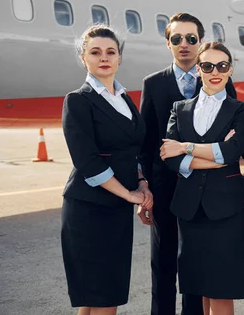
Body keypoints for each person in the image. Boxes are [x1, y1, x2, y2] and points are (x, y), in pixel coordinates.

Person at [139, 13, 236, 315]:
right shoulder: (153, 84)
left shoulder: (219, 80)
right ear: (168, 44)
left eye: (191, 38)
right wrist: (143, 189)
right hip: (164, 189)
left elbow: (229, 139)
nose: (184, 44)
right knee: (164, 263)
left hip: (206, 191)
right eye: (177, 39)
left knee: (196, 266)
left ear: (200, 42)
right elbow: (146, 143)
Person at [61, 25, 153, 315]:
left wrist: (141, 182)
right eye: (95, 52)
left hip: (116, 207)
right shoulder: (78, 100)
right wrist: (129, 194)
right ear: (83, 57)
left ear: (119, 58)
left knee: (100, 294)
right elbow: (87, 161)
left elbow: (132, 149)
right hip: (89, 207)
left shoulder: (125, 99)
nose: (104, 58)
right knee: (102, 295)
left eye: (111, 52)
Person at [159, 42, 244, 315]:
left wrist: (186, 147)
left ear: (230, 70)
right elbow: (169, 155)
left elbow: (233, 152)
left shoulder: (241, 110)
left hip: (227, 211)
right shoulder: (180, 108)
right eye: (208, 66)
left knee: (223, 290)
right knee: (197, 287)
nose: (216, 72)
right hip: (190, 212)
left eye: (222, 66)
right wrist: (216, 158)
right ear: (198, 69)